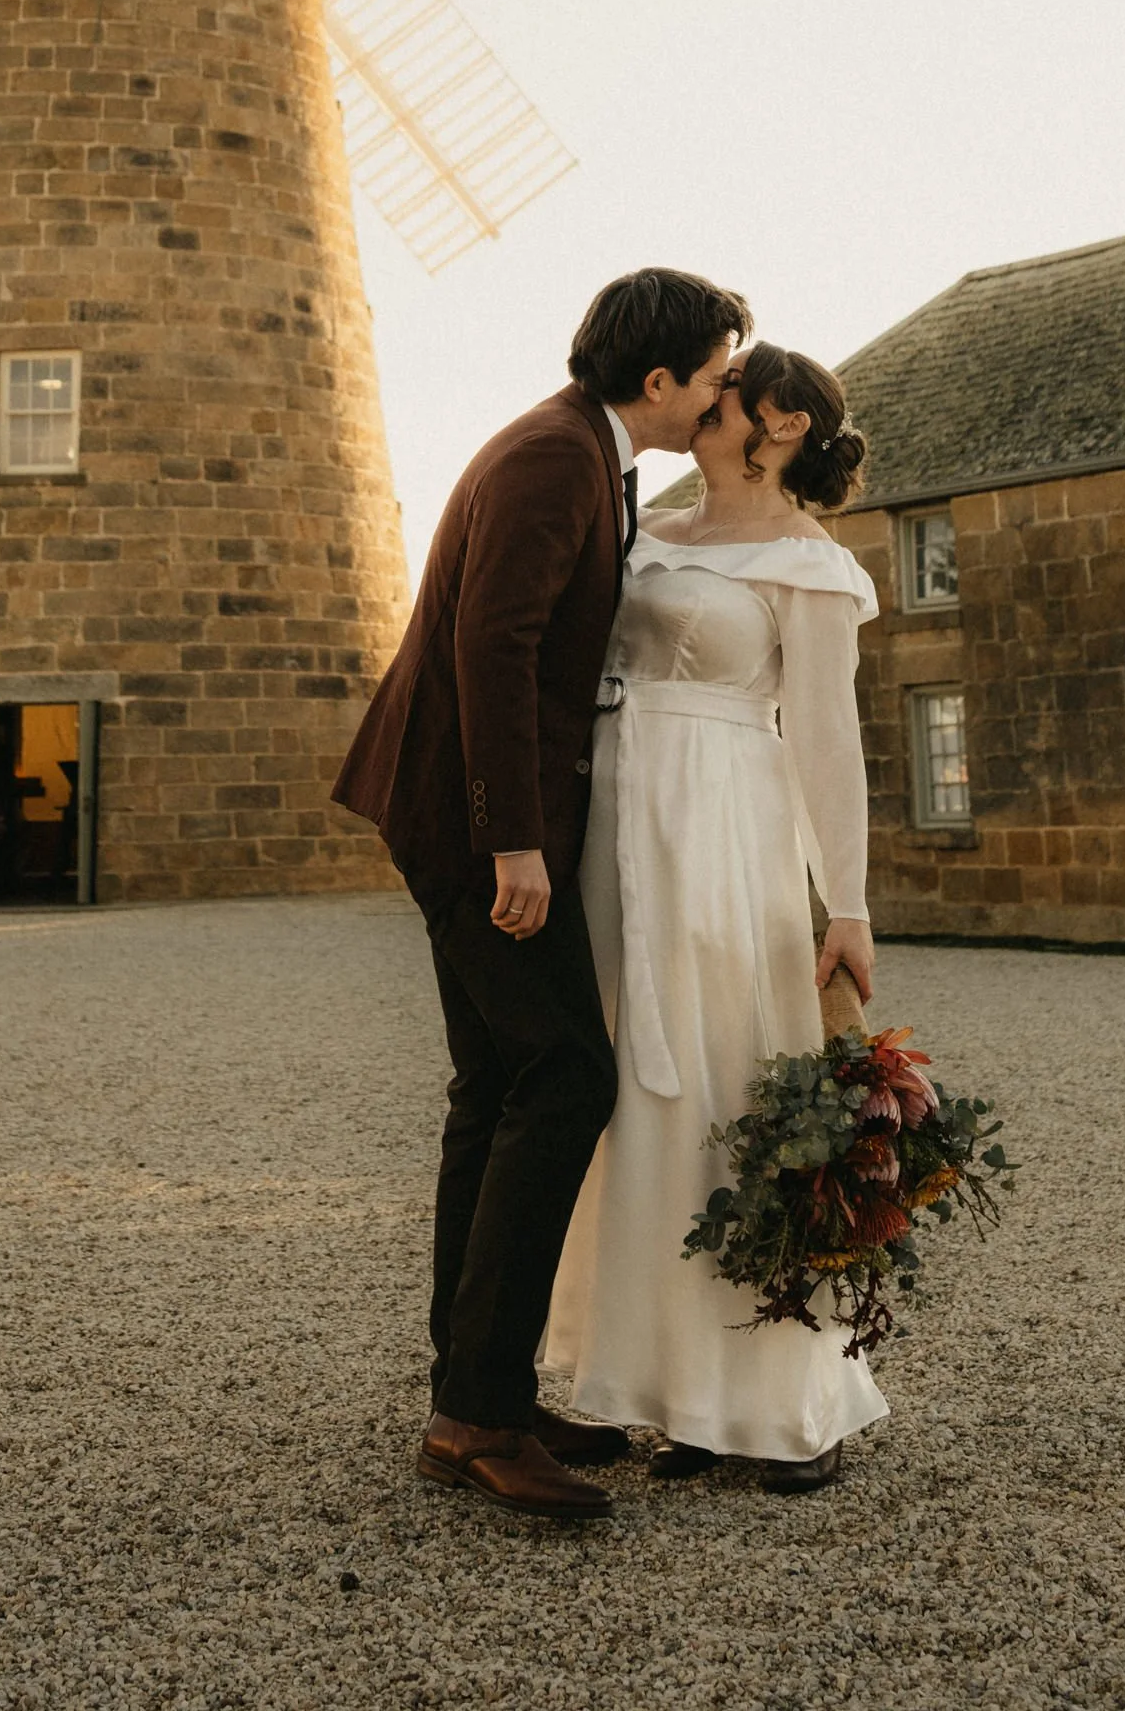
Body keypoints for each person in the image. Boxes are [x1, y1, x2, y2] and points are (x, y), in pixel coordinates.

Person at [334, 269, 748, 1522]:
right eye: (713, 378)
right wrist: (511, 841)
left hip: (457, 813)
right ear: (658, 380)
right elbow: (492, 644)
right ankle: (475, 1417)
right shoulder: (551, 460)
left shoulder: (586, 454)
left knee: (496, 1085)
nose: (721, 397)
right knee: (566, 1075)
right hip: (468, 824)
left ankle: (477, 1393)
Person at [539, 342, 889, 1489]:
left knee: (725, 1081)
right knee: (635, 1105)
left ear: (780, 425)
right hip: (615, 825)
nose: (704, 395)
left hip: (724, 834)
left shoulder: (806, 562)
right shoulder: (645, 530)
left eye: (729, 389)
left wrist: (846, 903)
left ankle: (780, 1401)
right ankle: (674, 1394)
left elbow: (827, 742)